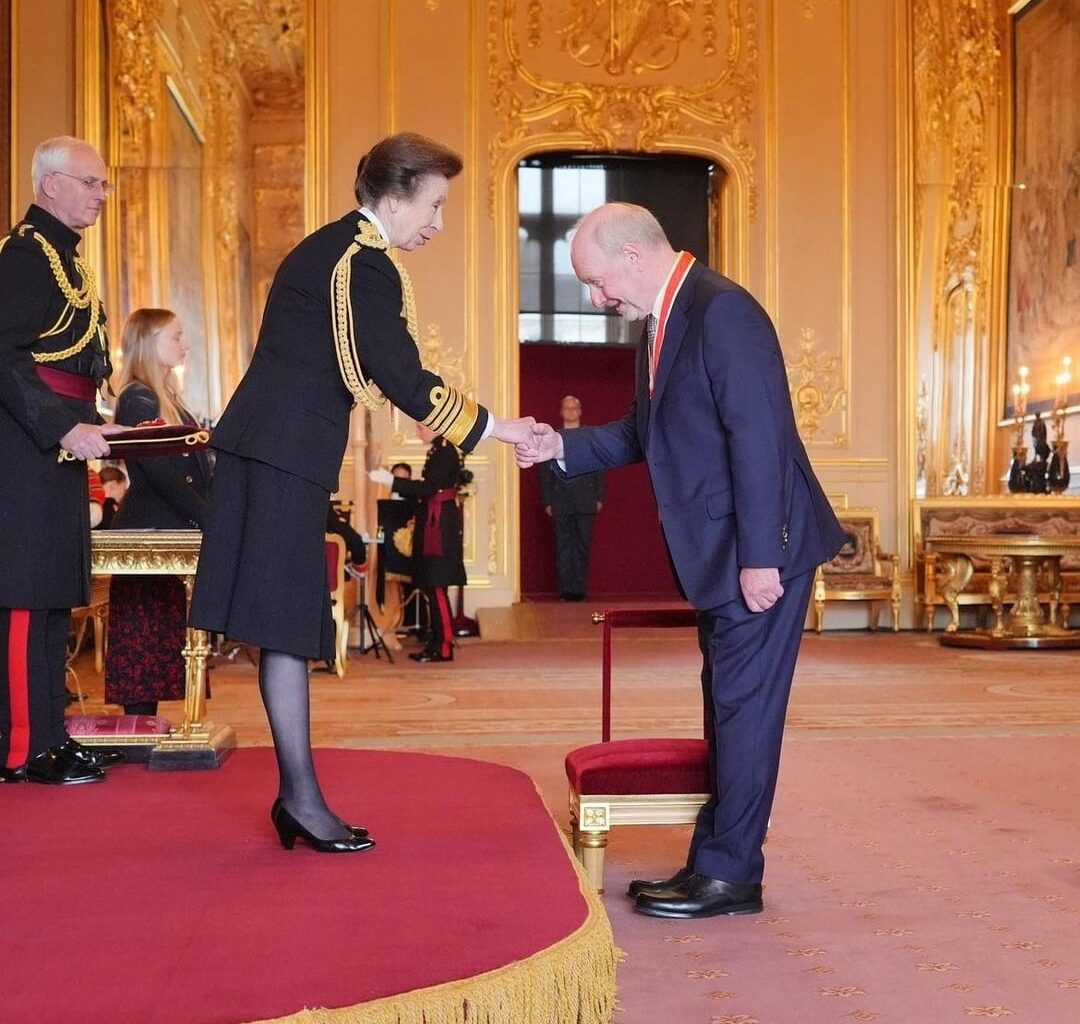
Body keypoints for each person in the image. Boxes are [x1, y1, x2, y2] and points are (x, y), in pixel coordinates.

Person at [189, 132, 536, 852]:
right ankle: (302, 800)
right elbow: (404, 377)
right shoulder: (364, 262)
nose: (439, 223)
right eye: (434, 204)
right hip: (282, 453)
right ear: (396, 192)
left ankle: (299, 797)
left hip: (275, 449)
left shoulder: (337, 249)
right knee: (288, 625)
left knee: (289, 625)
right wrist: (503, 429)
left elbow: (366, 370)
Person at [516, 202, 844, 919]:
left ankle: (731, 878)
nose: (598, 300)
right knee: (727, 708)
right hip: (724, 553)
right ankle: (713, 864)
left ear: (634, 256)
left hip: (760, 554)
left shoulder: (724, 313)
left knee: (744, 711)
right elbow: (645, 432)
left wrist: (761, 559)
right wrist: (560, 448)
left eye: (598, 282)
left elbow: (759, 439)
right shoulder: (661, 325)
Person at [0, 136, 125, 784]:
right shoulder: (24, 257)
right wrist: (61, 429)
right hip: (25, 453)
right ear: (50, 184)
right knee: (25, 599)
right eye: (91, 182)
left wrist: (98, 427)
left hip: (57, 446)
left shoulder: (67, 262)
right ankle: (23, 747)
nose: (102, 194)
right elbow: (6, 356)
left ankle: (53, 733)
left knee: (53, 599)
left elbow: (73, 368)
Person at [104, 309, 211, 717]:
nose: (185, 343)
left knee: (160, 635)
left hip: (168, 530)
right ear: (150, 343)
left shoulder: (167, 396)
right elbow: (162, 471)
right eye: (176, 336)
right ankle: (139, 725)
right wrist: (207, 515)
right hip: (146, 535)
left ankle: (152, 726)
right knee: (142, 637)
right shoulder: (138, 398)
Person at [370, 422, 465, 662]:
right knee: (432, 585)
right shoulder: (438, 449)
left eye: (421, 427)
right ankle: (436, 642)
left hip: (439, 525)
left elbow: (428, 488)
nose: (417, 431)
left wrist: (391, 481)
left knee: (437, 585)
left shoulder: (444, 451)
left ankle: (443, 646)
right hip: (434, 521)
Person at [539, 395, 604, 600]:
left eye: (573, 408)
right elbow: (544, 472)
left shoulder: (589, 436)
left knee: (582, 547)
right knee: (563, 547)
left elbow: (600, 466)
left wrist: (599, 496)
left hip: (585, 500)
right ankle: (566, 591)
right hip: (560, 501)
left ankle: (580, 591)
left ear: (579, 411)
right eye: (566, 408)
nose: (570, 411)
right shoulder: (552, 437)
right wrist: (547, 500)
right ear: (561, 411)